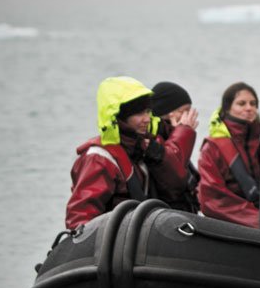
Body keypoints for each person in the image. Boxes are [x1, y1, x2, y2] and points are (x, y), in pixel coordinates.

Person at [65, 76, 184, 229]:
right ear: (120, 117)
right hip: (112, 246)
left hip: (136, 242)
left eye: (148, 111)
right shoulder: (98, 158)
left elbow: (175, 185)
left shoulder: (141, 149)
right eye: (139, 113)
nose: (147, 119)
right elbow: (80, 217)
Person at [197, 82, 260, 228]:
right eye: (241, 103)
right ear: (227, 109)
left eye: (253, 103)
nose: (249, 108)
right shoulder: (212, 148)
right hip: (234, 227)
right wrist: (259, 220)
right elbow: (211, 199)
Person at [151, 81, 200, 212]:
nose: (188, 117)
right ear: (164, 113)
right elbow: (174, 180)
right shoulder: (154, 142)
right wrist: (183, 132)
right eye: (183, 111)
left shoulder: (173, 136)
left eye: (190, 111)